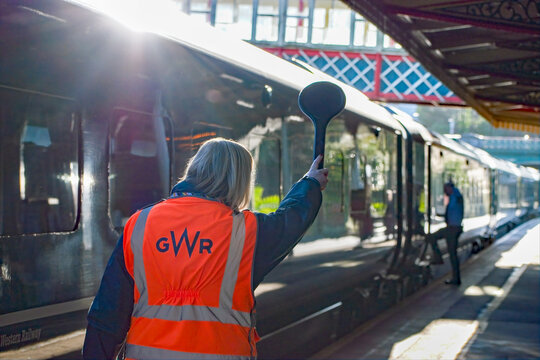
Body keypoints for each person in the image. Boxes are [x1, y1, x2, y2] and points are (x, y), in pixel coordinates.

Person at [82, 138, 329, 359]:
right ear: (239, 180)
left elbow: (108, 312)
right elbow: (291, 219)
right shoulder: (247, 232)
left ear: (194, 169)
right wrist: (309, 184)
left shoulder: (140, 224)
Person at [427, 182, 464, 285]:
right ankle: (455, 278)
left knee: (432, 238)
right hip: (454, 228)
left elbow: (451, 211)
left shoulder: (454, 197)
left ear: (449, 188)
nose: (444, 191)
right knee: (453, 254)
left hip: (452, 229)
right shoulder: (457, 196)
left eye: (445, 189)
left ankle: (439, 259)